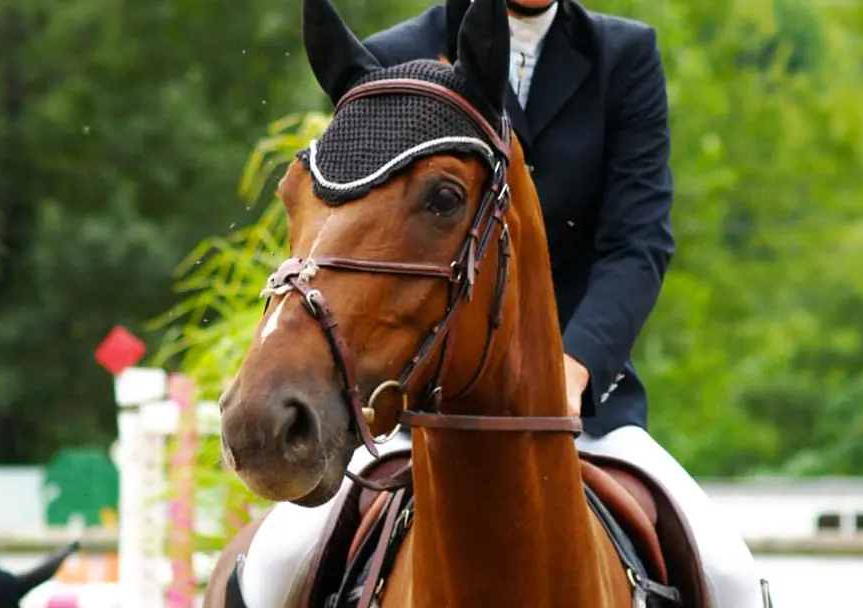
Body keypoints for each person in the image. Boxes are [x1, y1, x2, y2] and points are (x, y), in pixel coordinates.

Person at [237, 1, 768, 607]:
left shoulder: (623, 56)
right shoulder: (394, 56)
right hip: (417, 402)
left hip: (583, 412)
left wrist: (576, 366)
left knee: (730, 575)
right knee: (271, 568)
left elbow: (636, 244)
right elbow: (355, 237)